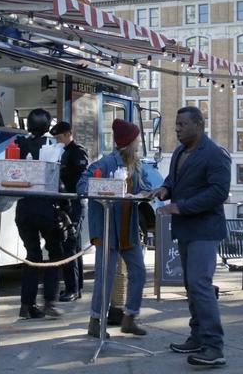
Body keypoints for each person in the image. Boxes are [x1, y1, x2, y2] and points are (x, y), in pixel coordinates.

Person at [150, 106, 231, 367]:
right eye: (176, 124)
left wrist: (180, 207)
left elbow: (218, 192)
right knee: (191, 286)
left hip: (205, 230)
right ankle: (197, 336)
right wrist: (164, 188)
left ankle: (214, 347)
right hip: (186, 229)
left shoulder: (214, 154)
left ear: (199, 125)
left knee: (200, 285)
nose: (177, 128)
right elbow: (174, 180)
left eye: (182, 124)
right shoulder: (179, 152)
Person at [77, 119, 150, 338]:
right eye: (136, 139)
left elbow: (146, 187)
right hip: (107, 230)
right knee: (104, 276)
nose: (138, 143)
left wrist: (148, 193)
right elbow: (81, 186)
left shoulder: (137, 165)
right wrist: (107, 189)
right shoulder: (103, 164)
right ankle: (95, 321)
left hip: (128, 230)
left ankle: (130, 317)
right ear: (129, 142)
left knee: (139, 272)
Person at [14, 108, 65, 319]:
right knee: (56, 253)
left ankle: (27, 305)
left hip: (24, 206)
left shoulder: (19, 144)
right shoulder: (51, 148)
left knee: (32, 255)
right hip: (44, 206)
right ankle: (49, 302)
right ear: (47, 126)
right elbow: (56, 180)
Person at [51, 121, 89, 302]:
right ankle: (76, 286)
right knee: (74, 246)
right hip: (69, 203)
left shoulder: (77, 152)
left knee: (70, 246)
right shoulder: (65, 152)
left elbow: (82, 175)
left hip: (74, 203)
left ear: (68, 134)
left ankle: (72, 288)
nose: (57, 141)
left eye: (59, 137)